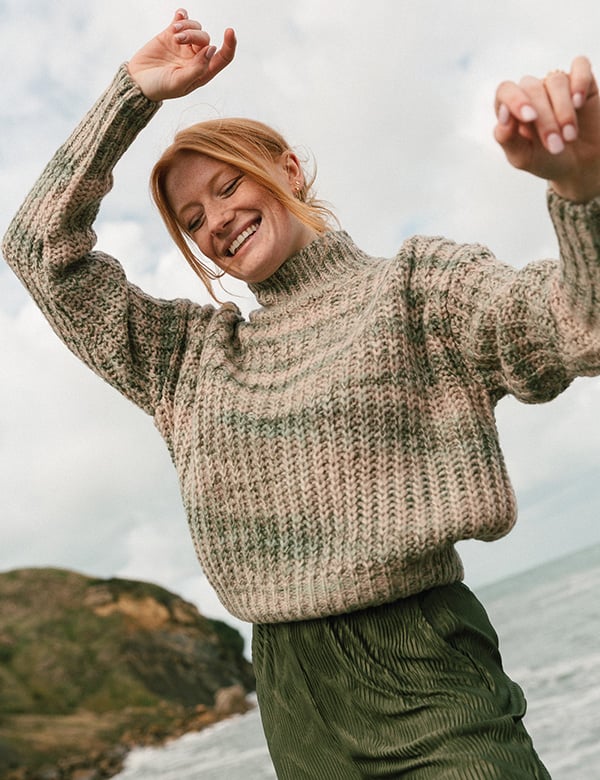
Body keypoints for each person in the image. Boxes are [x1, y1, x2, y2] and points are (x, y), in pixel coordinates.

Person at [3, 8, 600, 779]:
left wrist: (582, 193)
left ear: (287, 169)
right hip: (292, 695)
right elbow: (37, 249)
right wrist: (132, 94)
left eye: (227, 186)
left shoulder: (418, 289)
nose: (216, 220)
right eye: (193, 219)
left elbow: (576, 328)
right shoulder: (183, 358)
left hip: (424, 671)